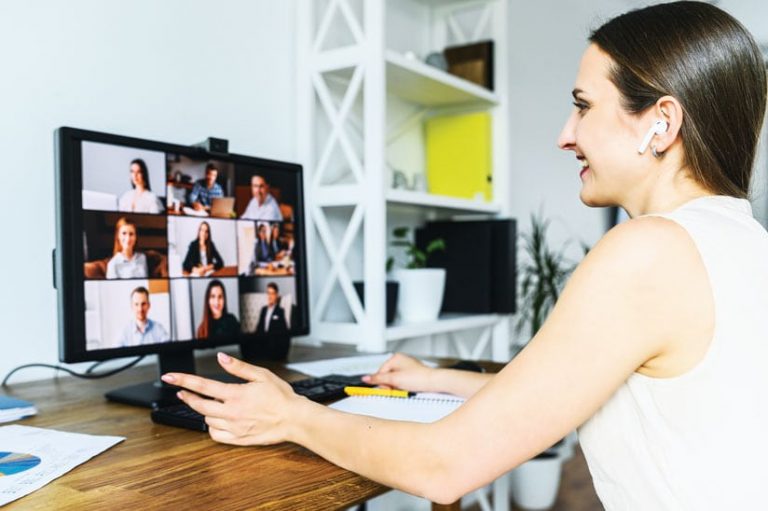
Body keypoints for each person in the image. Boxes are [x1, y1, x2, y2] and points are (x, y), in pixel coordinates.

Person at [163, 3, 768, 508]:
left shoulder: (650, 250)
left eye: (583, 105)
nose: (566, 133)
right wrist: (434, 381)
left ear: (660, 122)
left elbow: (445, 466)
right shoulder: (740, 240)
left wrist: (291, 415)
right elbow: (560, 392)